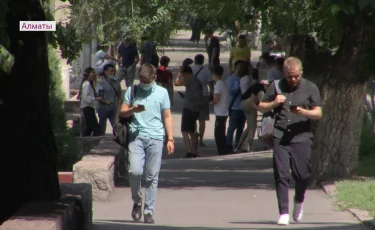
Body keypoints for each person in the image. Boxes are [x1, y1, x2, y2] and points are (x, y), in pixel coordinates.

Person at [256, 57, 323, 225]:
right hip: (280, 135)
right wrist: (274, 102)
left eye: (296, 76)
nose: (293, 79)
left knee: (302, 174)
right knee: (281, 174)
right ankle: (284, 212)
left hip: (302, 136)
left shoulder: (310, 87)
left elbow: (318, 113)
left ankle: (299, 200)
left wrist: (304, 113)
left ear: (301, 72)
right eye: (289, 76)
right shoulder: (276, 86)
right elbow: (261, 106)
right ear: (284, 73)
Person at [120, 64, 174, 224]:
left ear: (154, 77)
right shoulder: (132, 91)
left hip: (156, 138)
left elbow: (167, 116)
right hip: (136, 137)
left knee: (152, 176)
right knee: (135, 171)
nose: (144, 82)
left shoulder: (162, 93)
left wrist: (170, 139)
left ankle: (149, 210)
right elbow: (122, 112)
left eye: (147, 80)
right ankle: (137, 201)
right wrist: (132, 110)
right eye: (141, 80)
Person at [174, 65, 204, 158]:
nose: (183, 76)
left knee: (185, 131)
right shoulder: (197, 80)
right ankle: (195, 152)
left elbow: (176, 83)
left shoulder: (189, 79)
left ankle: (189, 152)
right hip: (196, 109)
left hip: (188, 108)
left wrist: (179, 74)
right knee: (192, 131)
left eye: (183, 74)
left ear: (186, 74)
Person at [235, 80, 268, 151]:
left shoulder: (256, 88)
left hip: (244, 104)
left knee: (249, 127)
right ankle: (247, 146)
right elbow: (252, 102)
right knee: (253, 127)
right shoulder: (259, 89)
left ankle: (238, 146)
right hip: (248, 104)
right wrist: (261, 108)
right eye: (267, 85)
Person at [191, 54, 214, 147]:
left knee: (193, 118)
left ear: (195, 60)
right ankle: (201, 140)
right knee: (202, 119)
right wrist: (212, 94)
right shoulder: (206, 70)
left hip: (192, 96)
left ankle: (194, 137)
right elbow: (210, 84)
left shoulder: (190, 69)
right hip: (204, 95)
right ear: (203, 61)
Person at [226, 60, 247, 152]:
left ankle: (238, 144)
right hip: (234, 107)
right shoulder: (231, 79)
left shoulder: (245, 78)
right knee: (232, 127)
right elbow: (229, 92)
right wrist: (237, 87)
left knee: (241, 127)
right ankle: (228, 145)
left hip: (243, 107)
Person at [97, 64, 122, 135]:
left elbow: (119, 96)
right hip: (103, 109)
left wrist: (119, 108)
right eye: (111, 71)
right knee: (102, 128)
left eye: (114, 71)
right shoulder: (101, 83)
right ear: (105, 72)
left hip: (113, 109)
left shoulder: (117, 83)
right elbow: (99, 97)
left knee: (116, 127)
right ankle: (101, 142)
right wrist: (105, 102)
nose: (113, 73)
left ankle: (119, 142)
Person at [79, 67, 103, 136]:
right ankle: (96, 142)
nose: (94, 74)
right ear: (88, 74)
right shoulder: (86, 84)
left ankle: (84, 142)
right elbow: (85, 97)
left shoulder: (90, 84)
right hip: (87, 107)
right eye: (92, 73)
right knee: (96, 127)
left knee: (89, 128)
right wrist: (95, 98)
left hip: (90, 107)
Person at [210, 65, 228, 155]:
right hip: (224, 111)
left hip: (220, 112)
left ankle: (221, 150)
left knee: (218, 133)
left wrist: (210, 102)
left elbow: (216, 99)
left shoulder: (218, 84)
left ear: (213, 74)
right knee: (222, 131)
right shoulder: (223, 83)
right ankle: (224, 149)